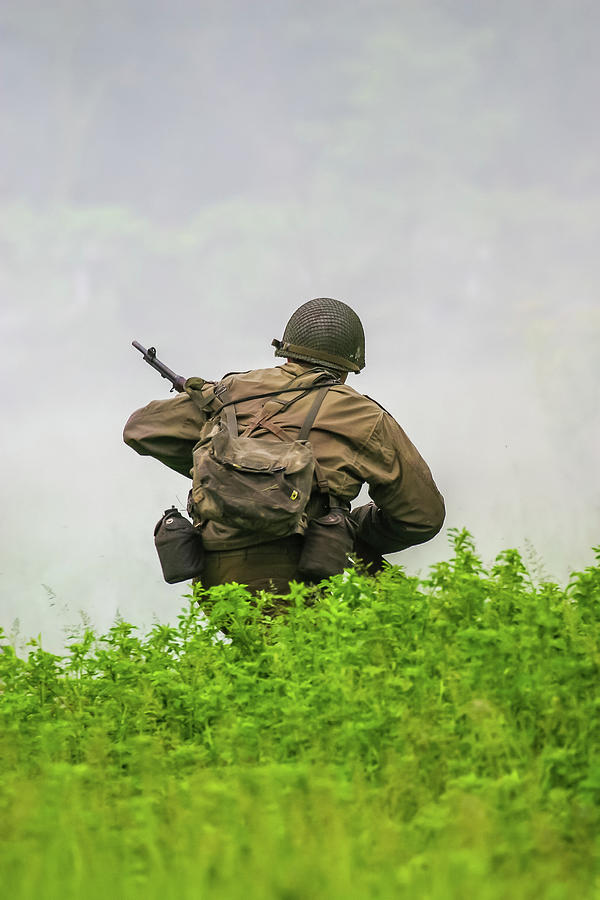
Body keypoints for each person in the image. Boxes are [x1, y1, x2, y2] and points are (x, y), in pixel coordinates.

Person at [123, 297, 445, 594]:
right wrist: (351, 528)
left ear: (287, 352)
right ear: (349, 369)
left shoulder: (227, 392)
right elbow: (423, 516)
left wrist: (225, 468)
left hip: (215, 582)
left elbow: (140, 429)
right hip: (300, 578)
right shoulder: (364, 416)